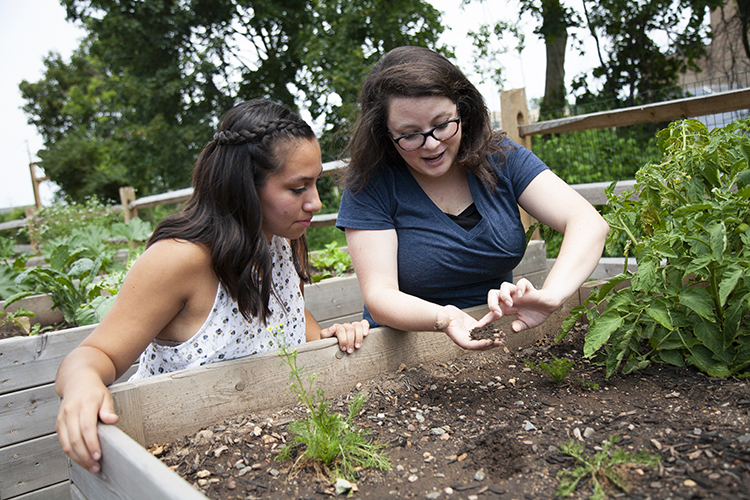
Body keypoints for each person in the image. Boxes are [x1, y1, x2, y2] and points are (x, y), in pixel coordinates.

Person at [55, 99, 369, 474]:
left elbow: (290, 326)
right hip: (170, 458)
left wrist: (333, 336)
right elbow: (93, 356)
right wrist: (82, 386)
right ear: (244, 187)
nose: (315, 202)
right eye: (298, 187)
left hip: (261, 453)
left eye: (315, 183)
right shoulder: (178, 259)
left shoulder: (278, 242)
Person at [335, 46, 609, 350]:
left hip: (496, 339)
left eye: (441, 124)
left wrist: (552, 294)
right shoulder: (372, 184)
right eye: (410, 134)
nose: (432, 144)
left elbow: (587, 222)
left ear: (462, 110)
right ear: (384, 133)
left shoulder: (501, 158)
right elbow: (380, 296)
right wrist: (445, 318)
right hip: (402, 353)